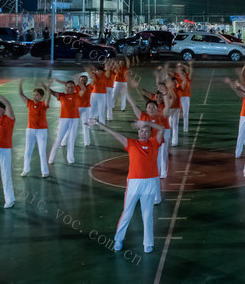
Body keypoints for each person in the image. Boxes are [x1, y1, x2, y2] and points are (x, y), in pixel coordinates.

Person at [91, 116, 165, 253]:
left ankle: (148, 243)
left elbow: (161, 129)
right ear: (138, 132)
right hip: (134, 183)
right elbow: (115, 134)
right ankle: (118, 240)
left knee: (148, 215)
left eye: (147, 131)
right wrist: (98, 123)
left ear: (150, 133)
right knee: (127, 213)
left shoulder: (155, 143)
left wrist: (146, 122)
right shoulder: (131, 143)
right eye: (141, 130)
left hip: (150, 183)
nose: (143, 133)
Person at [18, 80, 50, 178]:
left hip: (41, 131)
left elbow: (49, 96)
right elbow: (21, 94)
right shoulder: (29, 103)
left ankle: (45, 171)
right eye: (33, 95)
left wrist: (47, 87)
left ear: (41, 97)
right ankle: (25, 169)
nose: (34, 96)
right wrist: (20, 83)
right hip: (30, 130)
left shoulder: (43, 104)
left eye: (36, 95)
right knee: (27, 151)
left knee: (42, 152)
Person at [47, 79, 81, 165]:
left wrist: (79, 81)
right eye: (68, 87)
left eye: (72, 87)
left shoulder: (77, 95)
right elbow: (51, 92)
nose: (70, 89)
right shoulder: (62, 96)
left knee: (72, 139)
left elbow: (83, 90)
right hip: (64, 119)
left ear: (74, 88)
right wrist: (48, 85)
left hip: (75, 119)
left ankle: (70, 159)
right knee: (59, 139)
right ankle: (51, 158)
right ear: (65, 88)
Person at [174, 62, 193, 132]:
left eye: (180, 69)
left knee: (185, 113)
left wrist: (185, 65)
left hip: (186, 97)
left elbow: (189, 70)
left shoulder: (187, 76)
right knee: (176, 113)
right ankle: (174, 127)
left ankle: (185, 128)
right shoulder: (176, 76)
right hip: (178, 97)